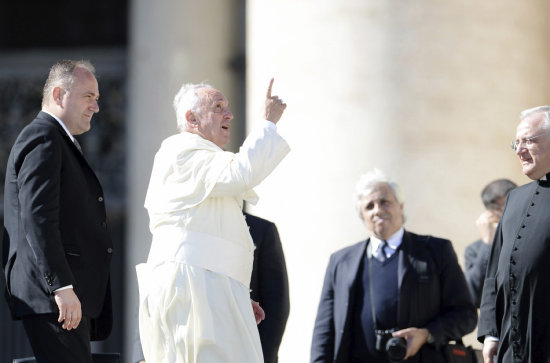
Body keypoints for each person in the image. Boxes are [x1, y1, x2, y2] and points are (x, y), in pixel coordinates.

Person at [136, 79, 290, 362]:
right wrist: (267, 123)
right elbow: (242, 172)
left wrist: (236, 293)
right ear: (191, 119)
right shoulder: (181, 151)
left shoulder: (204, 158)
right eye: (218, 107)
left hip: (211, 291)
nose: (228, 114)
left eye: (228, 108)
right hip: (191, 294)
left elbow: (209, 232)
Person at [2, 60, 113, 362]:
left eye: (98, 98)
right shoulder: (44, 137)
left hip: (65, 298)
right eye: (88, 96)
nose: (96, 107)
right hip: (54, 297)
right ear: (59, 94)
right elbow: (37, 218)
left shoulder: (58, 140)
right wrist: (61, 286)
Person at [311, 169, 477, 363]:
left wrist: (427, 333)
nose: (377, 210)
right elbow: (324, 330)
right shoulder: (340, 262)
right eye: (369, 206)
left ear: (401, 206)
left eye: (384, 202)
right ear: (363, 216)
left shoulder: (436, 251)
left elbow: (466, 315)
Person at [132, 211, 290, 363]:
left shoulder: (261, 230)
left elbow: (276, 308)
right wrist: (143, 355)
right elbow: (155, 289)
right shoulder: (178, 226)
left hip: (237, 351)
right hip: (182, 350)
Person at [478, 106, 550, 362]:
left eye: (528, 141)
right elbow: (493, 272)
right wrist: (491, 334)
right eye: (516, 143)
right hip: (511, 348)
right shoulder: (515, 199)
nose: (519, 150)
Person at [464, 179, 516, 307]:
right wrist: (488, 243)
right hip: (495, 324)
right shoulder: (475, 250)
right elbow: (473, 296)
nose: (504, 215)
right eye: (498, 210)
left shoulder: (537, 237)